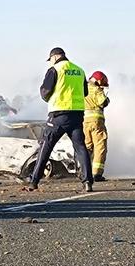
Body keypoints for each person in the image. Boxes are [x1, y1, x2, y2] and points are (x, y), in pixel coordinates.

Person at [28, 47, 94, 192]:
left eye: (50, 60)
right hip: (76, 115)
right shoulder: (79, 70)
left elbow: (45, 92)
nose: (50, 62)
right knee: (81, 148)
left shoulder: (55, 69)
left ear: (55, 57)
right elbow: (85, 92)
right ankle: (88, 182)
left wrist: (50, 98)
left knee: (46, 147)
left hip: (58, 115)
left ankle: (34, 181)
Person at [84, 71, 111, 182]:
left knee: (86, 147)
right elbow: (103, 102)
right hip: (96, 122)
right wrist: (107, 99)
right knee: (100, 147)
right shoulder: (96, 89)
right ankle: (97, 174)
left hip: (84, 121)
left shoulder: (81, 88)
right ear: (99, 81)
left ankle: (83, 172)